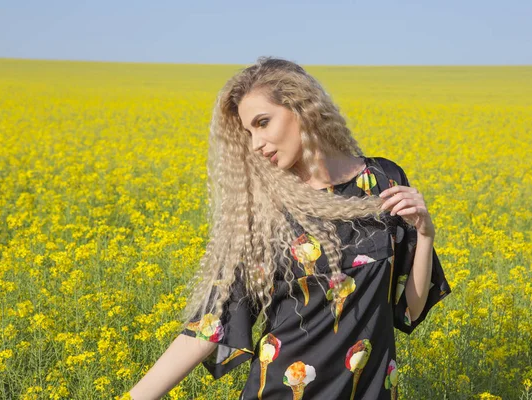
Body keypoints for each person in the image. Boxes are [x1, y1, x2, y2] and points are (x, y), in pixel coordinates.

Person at [128, 57, 451, 400]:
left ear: (302, 108)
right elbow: (209, 325)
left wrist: (426, 235)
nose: (255, 143)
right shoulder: (263, 210)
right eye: (248, 132)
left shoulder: (383, 182)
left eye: (263, 123)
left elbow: (409, 309)